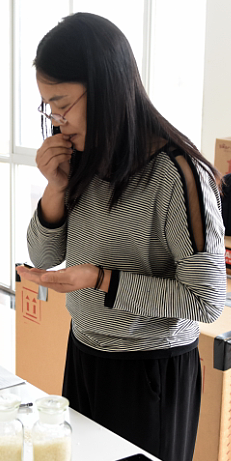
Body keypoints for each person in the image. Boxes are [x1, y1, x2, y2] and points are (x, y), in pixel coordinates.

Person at [15, 13, 225, 461]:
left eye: (62, 104)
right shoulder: (83, 158)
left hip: (150, 371)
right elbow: (43, 255)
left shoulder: (177, 175)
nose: (57, 121)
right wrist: (55, 188)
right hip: (84, 351)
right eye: (48, 107)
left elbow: (206, 302)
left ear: (105, 87)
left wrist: (100, 279)